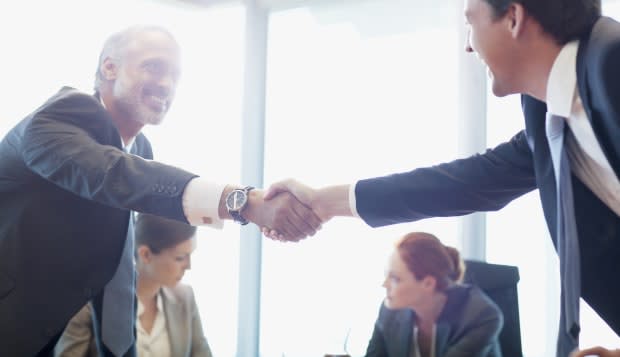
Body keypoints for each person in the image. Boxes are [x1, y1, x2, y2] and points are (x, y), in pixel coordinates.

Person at [263, 0, 620, 355]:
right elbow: (463, 184)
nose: (468, 44)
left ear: (513, 17)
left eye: (471, 22)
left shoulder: (612, 63)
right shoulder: (547, 114)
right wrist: (323, 202)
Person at [0, 25, 321, 357]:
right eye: (153, 66)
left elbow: (118, 268)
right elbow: (115, 175)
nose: (166, 84)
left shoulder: (139, 149)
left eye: (175, 75)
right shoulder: (54, 120)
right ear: (109, 67)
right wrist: (242, 202)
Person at [54, 213, 212, 357]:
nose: (188, 266)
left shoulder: (185, 296)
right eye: (180, 257)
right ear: (145, 254)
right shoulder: (88, 305)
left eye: (190, 255)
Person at [365, 232, 502, 357]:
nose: (384, 284)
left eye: (395, 278)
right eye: (386, 275)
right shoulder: (390, 311)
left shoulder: (480, 316)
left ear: (428, 283)